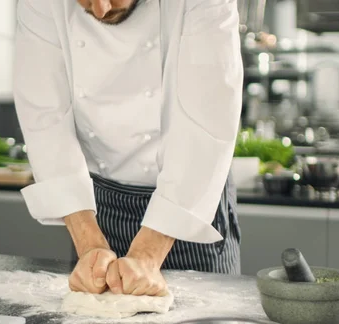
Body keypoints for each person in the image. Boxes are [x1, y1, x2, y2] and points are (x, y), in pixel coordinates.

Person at [13, 0, 244, 297]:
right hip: (97, 206)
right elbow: (45, 121)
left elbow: (207, 124)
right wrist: (90, 247)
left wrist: (147, 255)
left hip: (191, 203)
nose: (100, 8)